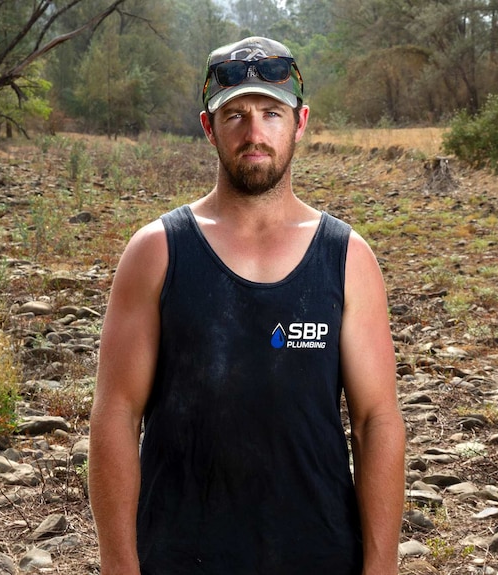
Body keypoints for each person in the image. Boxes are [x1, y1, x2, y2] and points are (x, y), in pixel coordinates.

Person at [88, 36, 406, 575]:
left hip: (320, 552)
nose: (254, 133)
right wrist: (120, 564)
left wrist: (381, 567)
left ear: (300, 121)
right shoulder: (156, 252)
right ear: (209, 127)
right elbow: (116, 415)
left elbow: (377, 420)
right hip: (179, 555)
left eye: (270, 113)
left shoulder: (346, 257)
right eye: (234, 115)